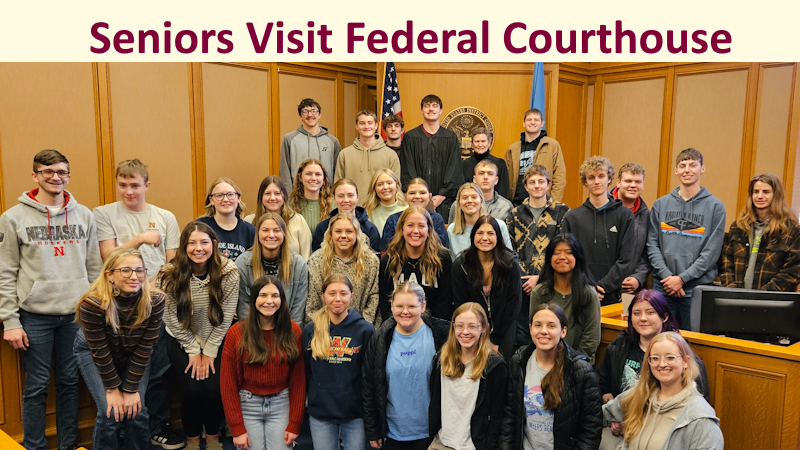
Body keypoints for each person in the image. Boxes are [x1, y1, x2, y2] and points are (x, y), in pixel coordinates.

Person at [0, 149, 102, 450]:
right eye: (48, 172)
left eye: (61, 172)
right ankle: (35, 446)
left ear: (68, 176)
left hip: (75, 316)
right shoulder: (13, 218)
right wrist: (10, 321)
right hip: (34, 317)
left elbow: (95, 267)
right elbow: (5, 272)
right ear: (35, 176)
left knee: (70, 384)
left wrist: (94, 310)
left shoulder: (84, 215)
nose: (55, 177)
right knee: (36, 387)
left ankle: (68, 445)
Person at [92, 158, 182, 448]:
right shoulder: (103, 214)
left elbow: (173, 262)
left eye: (134, 185)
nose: (128, 191)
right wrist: (140, 239)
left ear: (146, 185)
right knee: (120, 373)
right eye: (123, 185)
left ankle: (156, 426)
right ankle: (120, 430)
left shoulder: (165, 216)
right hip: (117, 309)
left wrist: (154, 287)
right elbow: (109, 257)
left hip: (156, 304)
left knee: (156, 370)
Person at [158, 222, 239, 450]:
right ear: (184, 246)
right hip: (181, 337)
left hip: (216, 336)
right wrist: (193, 350)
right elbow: (170, 316)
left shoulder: (229, 271)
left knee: (213, 390)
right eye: (191, 243)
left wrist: (210, 350)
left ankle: (213, 436)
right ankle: (192, 439)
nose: (198, 248)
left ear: (213, 244)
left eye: (204, 242)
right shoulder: (168, 273)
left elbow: (225, 316)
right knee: (191, 390)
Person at [74, 248, 165, 450]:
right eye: (126, 271)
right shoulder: (93, 303)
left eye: (139, 271)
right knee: (110, 410)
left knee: (136, 409)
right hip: (95, 354)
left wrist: (131, 389)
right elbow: (100, 350)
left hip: (135, 354)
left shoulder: (155, 301)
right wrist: (113, 389)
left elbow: (146, 346)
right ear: (110, 275)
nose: (134, 276)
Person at [596, 290, 709, 450]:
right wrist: (617, 415)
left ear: (664, 316)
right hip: (622, 431)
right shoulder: (618, 347)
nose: (643, 318)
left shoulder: (681, 355)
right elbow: (604, 388)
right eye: (636, 313)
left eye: (650, 312)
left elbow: (699, 401)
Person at [499, 303, 603, 450]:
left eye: (551, 326)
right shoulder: (518, 362)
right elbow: (509, 416)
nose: (543, 331)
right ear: (530, 329)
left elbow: (591, 429)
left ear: (563, 331)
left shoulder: (581, 370)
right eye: (538, 325)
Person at [220, 275, 306, 450]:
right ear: (253, 300)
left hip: (281, 403)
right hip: (248, 404)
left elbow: (298, 380)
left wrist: (295, 422)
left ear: (282, 300)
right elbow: (227, 384)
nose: (269, 301)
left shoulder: (293, 330)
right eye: (263, 295)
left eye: (275, 296)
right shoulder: (236, 333)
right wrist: (237, 428)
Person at [362, 281, 450, 450]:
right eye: (399, 306)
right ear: (391, 306)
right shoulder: (380, 337)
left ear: (423, 306)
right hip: (392, 434)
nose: (405, 311)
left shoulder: (441, 335)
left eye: (411, 306)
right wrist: (373, 431)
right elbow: (369, 386)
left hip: (433, 435)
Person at [603, 332, 724, 450]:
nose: (662, 364)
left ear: (685, 362)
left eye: (670, 357)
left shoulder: (701, 419)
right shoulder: (638, 395)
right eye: (655, 358)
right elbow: (597, 417)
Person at [647, 148, 725, 328]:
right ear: (676, 171)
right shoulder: (660, 204)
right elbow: (652, 244)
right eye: (682, 166)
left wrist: (682, 279)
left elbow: (711, 252)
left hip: (696, 288)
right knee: (659, 338)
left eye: (692, 165)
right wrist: (669, 278)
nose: (687, 170)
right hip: (663, 286)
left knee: (693, 343)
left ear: (702, 169)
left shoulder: (716, 207)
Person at [303, 274, 375, 450]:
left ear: (351, 296)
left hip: (355, 414)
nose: (337, 299)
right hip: (321, 413)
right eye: (332, 293)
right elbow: (307, 371)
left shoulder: (365, 330)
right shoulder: (310, 330)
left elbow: (369, 375)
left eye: (343, 293)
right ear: (323, 297)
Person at [429, 303, 508, 450]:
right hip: (442, 442)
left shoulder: (495, 366)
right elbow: (435, 402)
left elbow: (498, 417)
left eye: (472, 326)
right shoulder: (441, 359)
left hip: (474, 445)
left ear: (483, 328)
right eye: (460, 326)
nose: (465, 332)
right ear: (453, 327)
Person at [562, 156, 635, 306]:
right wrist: (587, 288)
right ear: (585, 182)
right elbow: (567, 256)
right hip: (579, 293)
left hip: (612, 294)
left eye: (601, 176)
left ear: (609, 179)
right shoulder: (572, 217)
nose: (596, 181)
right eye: (591, 177)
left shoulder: (624, 215)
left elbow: (626, 258)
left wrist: (603, 287)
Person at [452, 215, 522, 361]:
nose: (485, 238)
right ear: (473, 236)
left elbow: (513, 303)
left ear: (498, 237)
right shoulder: (460, 265)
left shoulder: (510, 264)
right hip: (472, 326)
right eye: (480, 233)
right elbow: (462, 304)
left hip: (505, 325)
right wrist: (481, 335)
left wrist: (495, 340)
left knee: (503, 365)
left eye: (490, 233)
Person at [720, 173, 800, 291]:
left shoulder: (791, 230)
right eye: (756, 191)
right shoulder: (738, 227)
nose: (760, 196)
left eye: (766, 192)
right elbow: (726, 263)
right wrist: (733, 291)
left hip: (772, 302)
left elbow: (793, 271)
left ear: (776, 195)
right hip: (736, 299)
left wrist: (762, 295)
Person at [529, 235, 601, 359]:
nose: (562, 257)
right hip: (545, 360)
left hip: (579, 365)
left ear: (577, 258)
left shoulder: (588, 294)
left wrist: (574, 365)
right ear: (550, 259)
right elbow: (536, 331)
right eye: (556, 253)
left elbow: (591, 338)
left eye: (568, 253)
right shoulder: (539, 292)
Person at [306, 213, 381, 325]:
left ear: (357, 234)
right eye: (338, 231)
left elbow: (374, 297)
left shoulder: (370, 261)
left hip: (360, 329)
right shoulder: (317, 261)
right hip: (325, 329)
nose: (343, 236)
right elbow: (313, 301)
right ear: (331, 234)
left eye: (349, 231)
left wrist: (361, 328)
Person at [380, 207, 452, 321]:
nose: (416, 231)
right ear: (402, 230)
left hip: (434, 327)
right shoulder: (389, 260)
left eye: (421, 226)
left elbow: (444, 304)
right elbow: (385, 303)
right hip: (398, 326)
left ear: (428, 231)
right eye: (410, 225)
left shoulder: (442, 259)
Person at [506, 165, 570, 295]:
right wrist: (524, 279)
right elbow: (509, 251)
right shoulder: (514, 214)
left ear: (549, 185)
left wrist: (541, 278)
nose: (536, 186)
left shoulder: (562, 211)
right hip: (521, 284)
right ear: (525, 187)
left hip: (554, 283)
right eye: (532, 182)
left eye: (541, 181)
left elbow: (564, 248)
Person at [236, 213, 309, 324]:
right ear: (257, 234)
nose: (271, 235)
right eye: (265, 230)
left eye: (277, 230)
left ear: (284, 234)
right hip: (252, 332)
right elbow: (244, 308)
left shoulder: (298, 264)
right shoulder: (242, 263)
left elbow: (298, 310)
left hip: (287, 332)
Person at [400, 94, 464, 216]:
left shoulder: (450, 138)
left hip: (443, 202)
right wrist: (417, 194)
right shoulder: (410, 137)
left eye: (435, 106)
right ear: (421, 110)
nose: (431, 109)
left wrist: (442, 194)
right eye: (427, 106)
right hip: (416, 200)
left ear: (440, 111)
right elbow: (407, 168)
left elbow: (454, 168)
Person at [335, 109, 401, 208]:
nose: (366, 126)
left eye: (370, 123)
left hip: (380, 210)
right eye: (362, 123)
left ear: (376, 126)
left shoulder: (390, 155)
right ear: (356, 126)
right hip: (351, 209)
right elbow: (338, 186)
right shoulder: (344, 154)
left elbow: (396, 188)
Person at [505, 108, 567, 205]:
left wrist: (554, 203)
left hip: (543, 203)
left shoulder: (552, 145)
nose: (532, 122)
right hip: (516, 203)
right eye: (529, 120)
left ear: (542, 123)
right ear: (524, 123)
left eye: (536, 120)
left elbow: (560, 177)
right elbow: (506, 178)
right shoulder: (512, 149)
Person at [243, 175, 312, 260]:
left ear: (284, 197)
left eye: (277, 193)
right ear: (261, 197)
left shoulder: (298, 220)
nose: (272, 198)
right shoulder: (249, 221)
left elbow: (306, 256)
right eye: (267, 193)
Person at [279, 98, 342, 188]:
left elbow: (338, 172)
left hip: (326, 196)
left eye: (314, 111)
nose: (310, 115)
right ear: (301, 116)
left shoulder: (333, 141)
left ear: (319, 115)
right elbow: (284, 172)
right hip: (298, 196)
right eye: (305, 111)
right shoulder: (289, 139)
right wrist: (289, 197)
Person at [611, 163, 652, 295]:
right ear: (618, 182)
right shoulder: (601, 208)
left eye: (638, 182)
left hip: (629, 288)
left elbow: (648, 253)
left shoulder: (648, 216)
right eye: (628, 181)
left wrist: (637, 278)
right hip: (599, 286)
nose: (633, 185)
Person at [312, 178, 381, 252]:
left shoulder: (370, 229)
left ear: (357, 197)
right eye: (340, 196)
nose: (346, 200)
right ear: (334, 198)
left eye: (350, 195)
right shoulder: (322, 228)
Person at [381, 178, 450, 251]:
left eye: (422, 193)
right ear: (405, 196)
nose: (417, 196)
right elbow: (385, 250)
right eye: (412, 193)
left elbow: (444, 249)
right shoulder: (393, 219)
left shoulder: (436, 219)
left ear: (429, 197)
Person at [197, 177, 256, 261]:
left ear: (238, 198)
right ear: (211, 200)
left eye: (230, 194)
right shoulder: (200, 226)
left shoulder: (250, 231)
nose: (225, 199)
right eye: (219, 195)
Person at [447, 182, 512, 256]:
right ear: (458, 204)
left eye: (474, 197)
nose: (469, 201)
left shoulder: (499, 225)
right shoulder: (452, 230)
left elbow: (509, 258)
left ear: (481, 201)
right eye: (465, 197)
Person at [448, 159, 514, 223]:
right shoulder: (459, 205)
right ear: (474, 179)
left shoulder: (506, 206)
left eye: (490, 174)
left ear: (496, 180)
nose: (485, 177)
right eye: (481, 173)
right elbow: (452, 231)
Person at [460, 127, 511, 200]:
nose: (480, 145)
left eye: (483, 141)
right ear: (472, 144)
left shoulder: (500, 164)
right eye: (477, 141)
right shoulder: (464, 165)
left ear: (489, 143)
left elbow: (503, 192)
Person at [364, 169, 407, 237]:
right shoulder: (368, 212)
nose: (385, 187)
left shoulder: (407, 209)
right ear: (374, 188)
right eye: (380, 184)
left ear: (397, 185)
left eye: (389, 183)